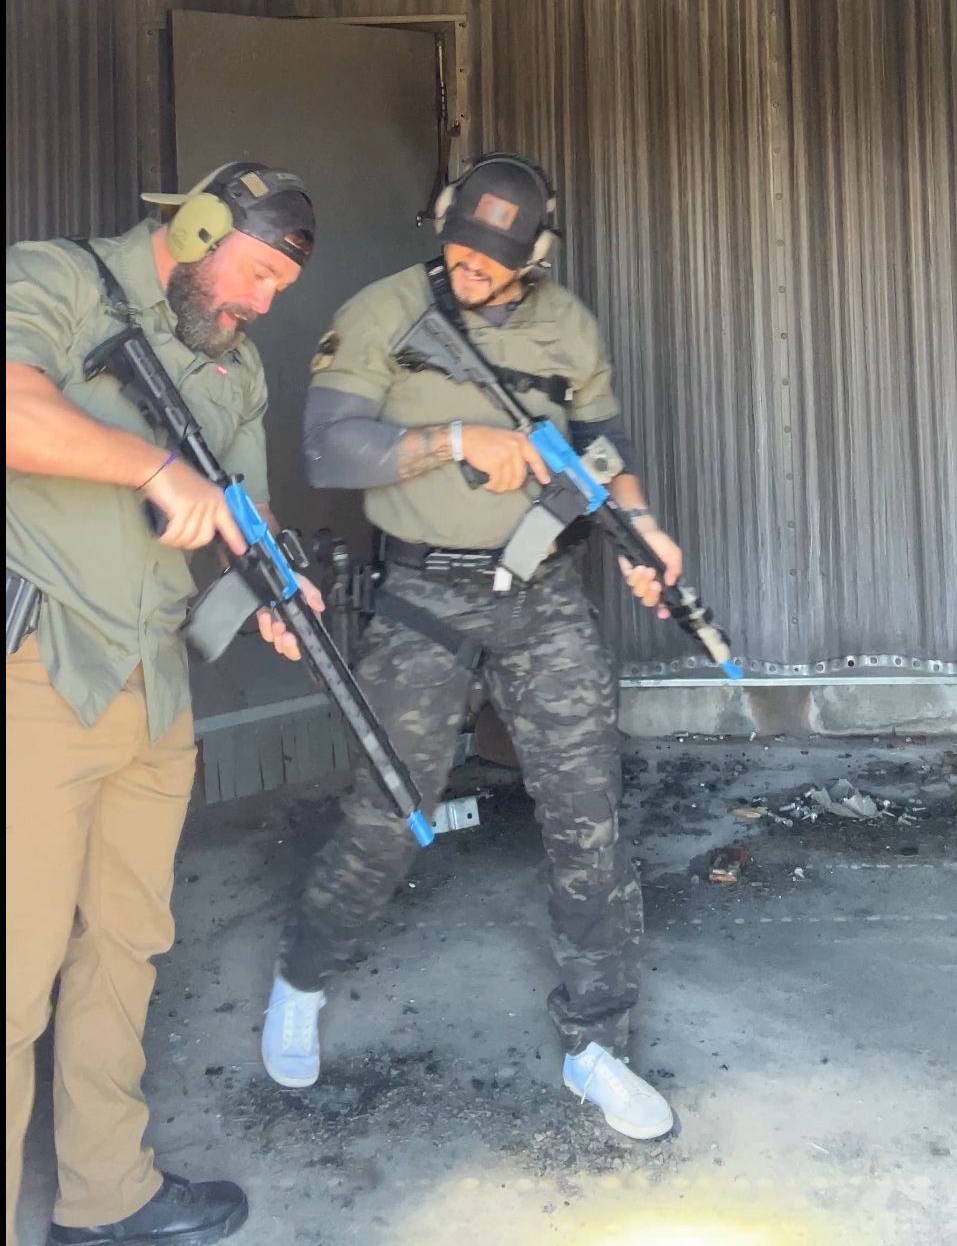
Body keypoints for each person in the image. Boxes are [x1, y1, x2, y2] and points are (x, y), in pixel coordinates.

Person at [261, 154, 685, 1141]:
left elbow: (604, 448)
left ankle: (597, 1041)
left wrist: (643, 527)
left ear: (533, 254)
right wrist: (452, 439)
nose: (469, 269)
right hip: (424, 586)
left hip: (543, 586)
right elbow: (327, 448)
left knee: (590, 815)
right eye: (456, 249)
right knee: (388, 810)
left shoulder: (567, 324)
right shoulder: (383, 312)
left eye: (492, 261)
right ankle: (302, 978)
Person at [6, 162, 324, 1246]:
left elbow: (239, 508)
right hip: (37, 672)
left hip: (154, 688)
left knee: (126, 944)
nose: (261, 302)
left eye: (279, 286)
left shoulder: (231, 360)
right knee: (10, 975)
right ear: (195, 227)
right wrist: (149, 466)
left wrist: (276, 582)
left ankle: (106, 1194)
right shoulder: (54, 280)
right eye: (255, 272)